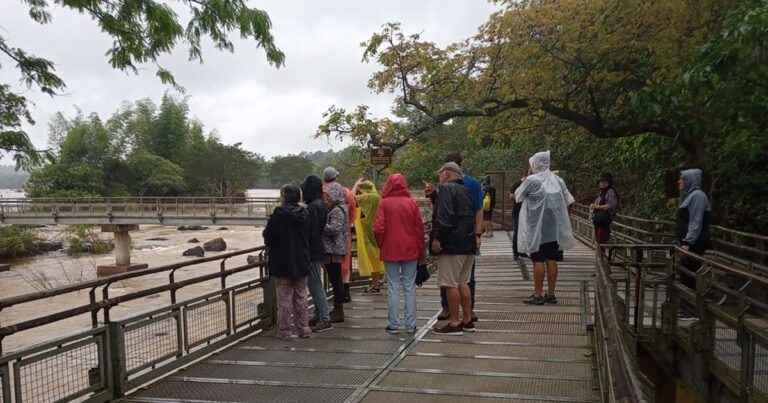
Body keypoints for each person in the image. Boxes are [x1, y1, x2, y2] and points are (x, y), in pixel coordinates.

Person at [424, 152, 483, 322]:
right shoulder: (465, 189)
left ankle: (454, 322)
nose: (439, 177)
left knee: (450, 284)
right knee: (463, 282)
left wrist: (437, 239)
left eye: (441, 174)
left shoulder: (447, 188)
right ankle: (467, 318)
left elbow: (445, 216)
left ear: (447, 174)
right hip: (467, 243)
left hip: (453, 245)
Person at [515, 151, 576, 306]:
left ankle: (538, 294)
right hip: (554, 228)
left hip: (536, 228)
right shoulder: (557, 180)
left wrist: (528, 177)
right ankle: (551, 293)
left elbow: (518, 196)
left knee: (538, 260)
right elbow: (568, 199)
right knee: (552, 259)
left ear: (534, 164)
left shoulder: (532, 180)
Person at [374, 174, 425, 334]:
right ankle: (411, 325)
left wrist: (382, 244)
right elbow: (419, 229)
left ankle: (393, 324)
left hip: (390, 250)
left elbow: (378, 229)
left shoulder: (383, 204)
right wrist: (421, 250)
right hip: (410, 249)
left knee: (393, 287)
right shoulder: (412, 203)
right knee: (409, 287)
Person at [262, 184, 312, 341]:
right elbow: (309, 235)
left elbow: (268, 236)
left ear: (284, 197)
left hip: (283, 261)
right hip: (302, 260)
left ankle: (285, 330)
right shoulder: (305, 213)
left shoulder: (279, 214)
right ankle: (304, 328)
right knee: (301, 296)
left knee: (284, 298)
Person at [301, 175, 332, 332]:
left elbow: (310, 232)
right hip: (318, 249)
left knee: (314, 284)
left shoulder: (313, 207)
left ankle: (325, 318)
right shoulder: (321, 204)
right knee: (316, 283)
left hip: (312, 251)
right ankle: (319, 314)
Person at [322, 167, 357, 302]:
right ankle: (345, 292)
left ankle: (334, 296)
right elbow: (353, 211)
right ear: (336, 177)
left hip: (326, 235)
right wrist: (346, 225)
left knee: (330, 266)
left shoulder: (323, 191)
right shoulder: (346, 192)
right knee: (345, 263)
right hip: (344, 233)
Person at [676, 168, 711, 290]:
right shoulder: (689, 196)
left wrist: (687, 242)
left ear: (689, 180)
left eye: (682, 179)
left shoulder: (697, 196)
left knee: (691, 273)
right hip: (688, 242)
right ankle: (686, 302)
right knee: (685, 272)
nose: (679, 181)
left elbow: (695, 222)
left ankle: (691, 302)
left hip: (694, 244)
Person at [322, 183, 350, 322]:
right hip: (336, 248)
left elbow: (334, 229)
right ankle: (337, 308)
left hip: (334, 249)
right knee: (335, 280)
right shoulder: (339, 208)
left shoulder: (338, 210)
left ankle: (339, 311)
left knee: (336, 281)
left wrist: (320, 224)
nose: (326, 199)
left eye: (328, 196)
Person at [352, 178, 385, 293]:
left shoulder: (368, 197)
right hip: (380, 233)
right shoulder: (378, 197)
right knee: (379, 258)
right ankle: (379, 281)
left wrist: (356, 184)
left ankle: (375, 286)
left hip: (369, 234)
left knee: (373, 261)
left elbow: (351, 198)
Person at [589, 172, 619, 246]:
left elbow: (611, 205)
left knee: (601, 240)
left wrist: (597, 207)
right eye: (601, 181)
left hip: (605, 221)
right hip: (599, 219)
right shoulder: (602, 193)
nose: (602, 183)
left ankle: (602, 256)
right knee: (599, 240)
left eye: (605, 182)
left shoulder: (610, 192)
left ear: (609, 183)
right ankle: (600, 256)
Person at [509, 172, 529, 260]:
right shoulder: (517, 184)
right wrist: (522, 194)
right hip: (517, 211)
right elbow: (511, 196)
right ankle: (515, 251)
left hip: (528, 213)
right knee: (517, 231)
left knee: (526, 232)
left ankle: (523, 251)